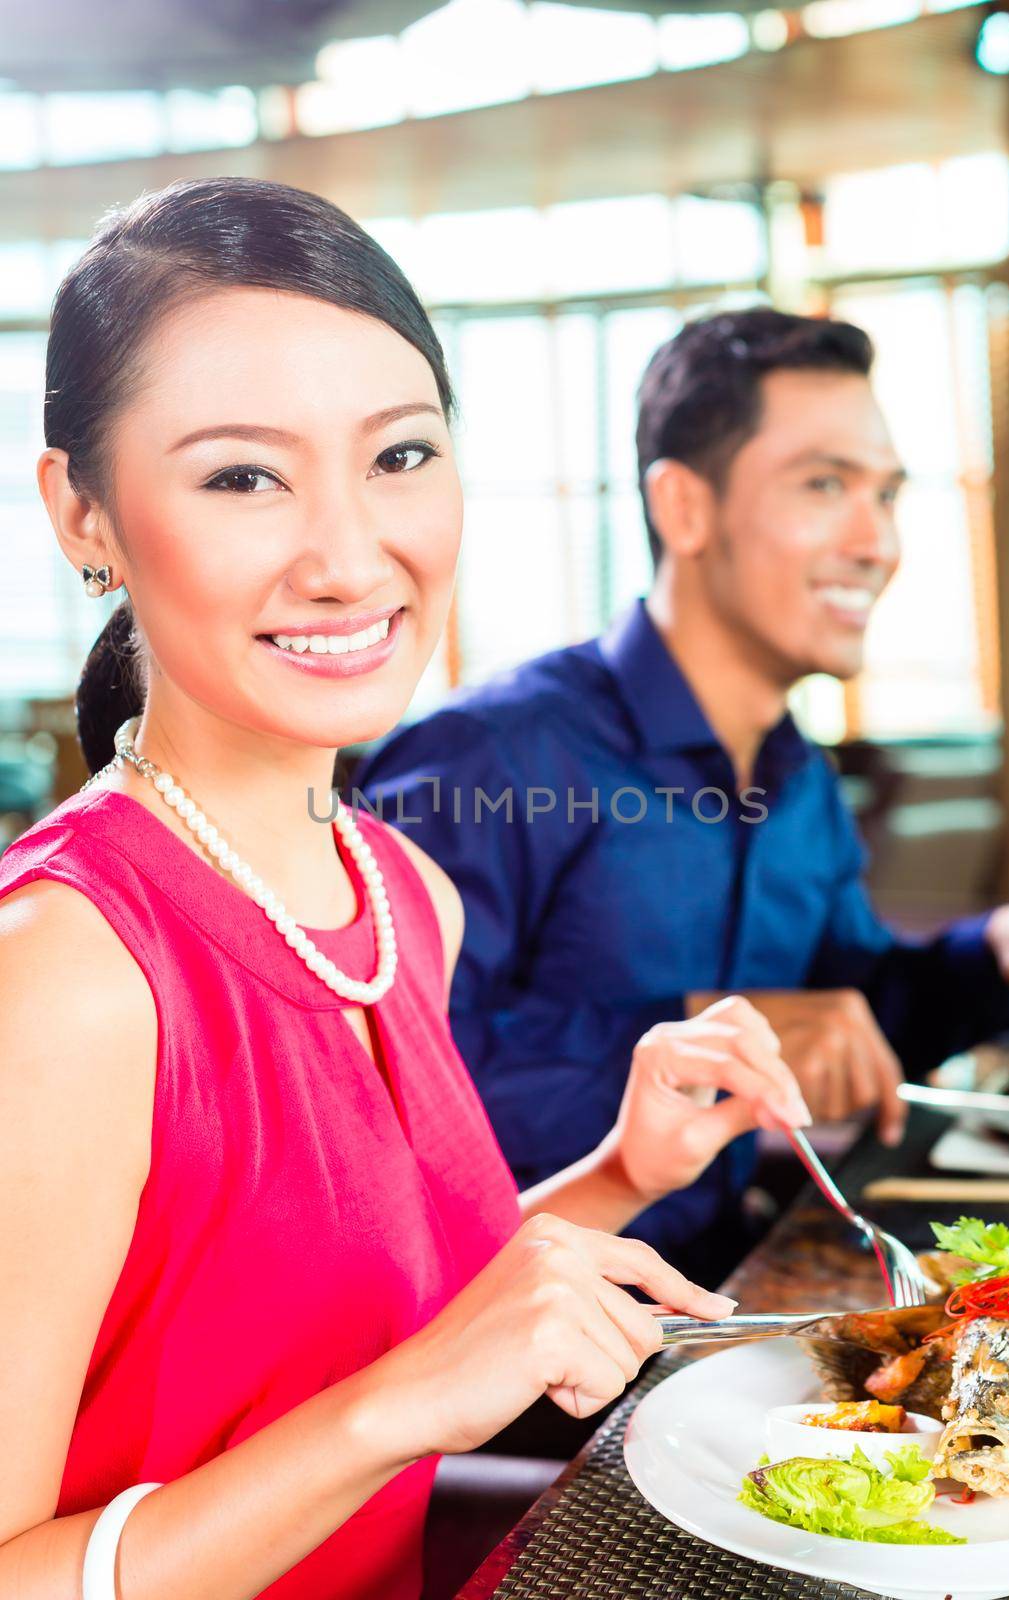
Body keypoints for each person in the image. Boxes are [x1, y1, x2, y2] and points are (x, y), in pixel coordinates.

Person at [0, 182, 810, 1600]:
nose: (348, 556)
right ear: (84, 511)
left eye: (399, 455)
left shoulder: (396, 894)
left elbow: (374, 1334)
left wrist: (625, 1173)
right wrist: (394, 1412)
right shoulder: (63, 973)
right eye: (242, 476)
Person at [361, 307, 1009, 1282]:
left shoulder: (796, 771)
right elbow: (373, 1085)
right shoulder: (493, 757)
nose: (877, 542)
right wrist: (693, 1032)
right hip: (511, 1335)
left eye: (886, 494)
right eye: (824, 484)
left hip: (713, 1287)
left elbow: (844, 1014)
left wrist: (1000, 951)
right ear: (683, 508)